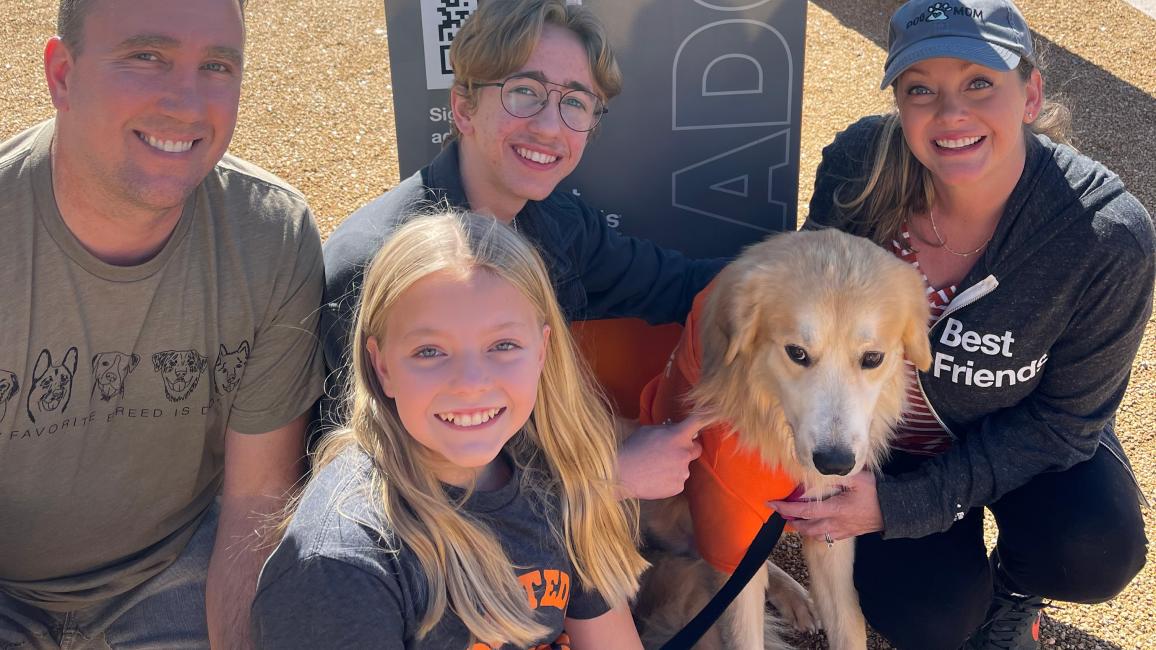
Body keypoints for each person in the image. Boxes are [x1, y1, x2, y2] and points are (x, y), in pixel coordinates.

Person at [771, 1, 1152, 648]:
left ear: (1029, 94)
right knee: (932, 619)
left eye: (980, 83)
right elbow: (804, 310)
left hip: (1021, 434)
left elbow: (1063, 425)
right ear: (898, 102)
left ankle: (1015, 595)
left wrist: (897, 512)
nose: (951, 114)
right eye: (922, 89)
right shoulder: (859, 165)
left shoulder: (1108, 236)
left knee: (1095, 548)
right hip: (892, 446)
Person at [0, 0, 324, 647]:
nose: (186, 101)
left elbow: (254, 508)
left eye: (217, 66)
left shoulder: (270, 239)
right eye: (147, 57)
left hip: (173, 570)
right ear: (61, 74)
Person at [321, 0, 723, 501]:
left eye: (575, 102)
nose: (550, 126)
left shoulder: (561, 224)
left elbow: (682, 286)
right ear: (464, 108)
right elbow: (367, 489)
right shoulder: (374, 263)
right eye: (524, 92)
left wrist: (806, 276)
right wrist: (605, 481)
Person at [252, 211, 647, 649]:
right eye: (430, 351)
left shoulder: (554, 475)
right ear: (382, 367)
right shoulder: (342, 565)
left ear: (542, 351)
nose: (471, 383)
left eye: (503, 345)